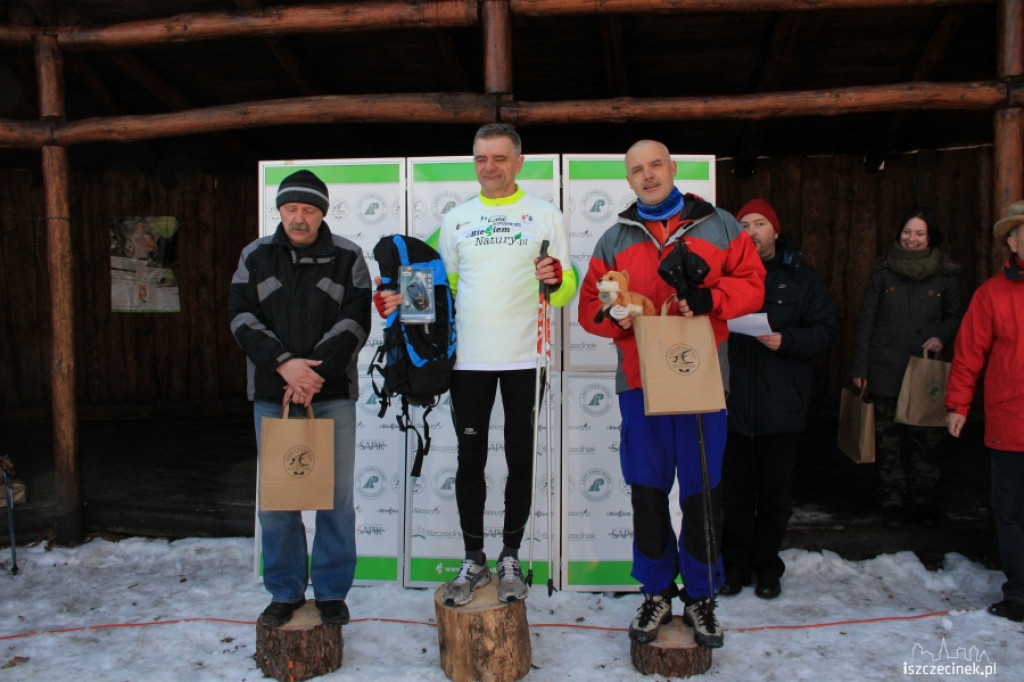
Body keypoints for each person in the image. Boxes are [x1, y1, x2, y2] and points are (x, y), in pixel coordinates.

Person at [375, 124, 576, 606]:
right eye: (482, 158)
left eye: (500, 158)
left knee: (520, 458)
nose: (490, 166)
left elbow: (565, 289)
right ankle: (473, 557)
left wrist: (554, 280)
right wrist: (395, 301)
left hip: (528, 358)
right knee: (471, 459)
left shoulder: (546, 215)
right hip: (468, 363)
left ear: (519, 162)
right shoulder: (457, 220)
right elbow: (434, 292)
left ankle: (510, 555)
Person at [578, 140, 764, 648]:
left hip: (702, 380)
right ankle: (657, 591)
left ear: (673, 168)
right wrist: (613, 316)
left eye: (655, 165)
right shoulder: (615, 237)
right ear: (629, 179)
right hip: (639, 383)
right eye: (637, 169)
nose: (648, 175)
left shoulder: (720, 224)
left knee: (703, 489)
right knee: (647, 489)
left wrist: (710, 299)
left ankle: (701, 596)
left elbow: (753, 284)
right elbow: (588, 305)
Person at [228, 169, 372, 628]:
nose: (299, 218)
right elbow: (240, 317)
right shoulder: (255, 255)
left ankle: (331, 593)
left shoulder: (348, 256)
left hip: (331, 395)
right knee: (277, 499)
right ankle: (285, 591)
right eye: (292, 208)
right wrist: (284, 364)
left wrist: (311, 376)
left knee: (336, 498)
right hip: (273, 395)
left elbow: (355, 322)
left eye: (309, 210)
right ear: (280, 210)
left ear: (322, 213)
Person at [720, 199, 836, 600]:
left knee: (774, 497)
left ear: (775, 230)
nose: (751, 231)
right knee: (734, 495)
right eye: (744, 224)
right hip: (731, 404)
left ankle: (767, 567)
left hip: (781, 407)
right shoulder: (723, 276)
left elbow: (824, 332)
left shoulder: (803, 280)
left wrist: (787, 340)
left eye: (760, 223)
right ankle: (734, 566)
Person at [850, 207, 963, 528]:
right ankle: (892, 499)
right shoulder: (883, 272)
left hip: (924, 371)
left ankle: (925, 500)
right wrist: (860, 366)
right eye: (907, 232)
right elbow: (866, 321)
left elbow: (956, 316)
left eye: (919, 233)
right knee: (888, 439)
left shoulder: (947, 275)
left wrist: (941, 336)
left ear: (930, 238)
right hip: (885, 367)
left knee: (925, 438)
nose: (911, 239)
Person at [945, 199, 1024, 623]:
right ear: (1012, 241)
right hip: (1010, 422)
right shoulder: (991, 293)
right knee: (1010, 513)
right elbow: (969, 353)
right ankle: (1020, 594)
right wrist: (958, 403)